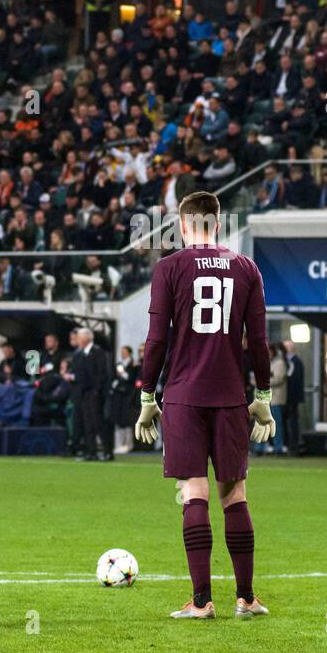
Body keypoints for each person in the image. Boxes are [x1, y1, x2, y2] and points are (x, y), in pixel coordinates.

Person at [134, 190, 272, 620]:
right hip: (231, 397)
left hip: (183, 397)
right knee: (235, 495)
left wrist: (146, 396)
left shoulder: (169, 268)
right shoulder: (246, 268)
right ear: (219, 222)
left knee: (194, 492)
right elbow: (260, 342)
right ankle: (246, 599)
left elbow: (157, 340)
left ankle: (201, 602)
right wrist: (263, 397)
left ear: (182, 225)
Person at [69, 327, 110, 461]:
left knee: (98, 423)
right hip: (83, 394)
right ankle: (91, 451)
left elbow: (102, 374)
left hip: (93, 394)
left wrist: (96, 391)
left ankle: (107, 451)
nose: (78, 341)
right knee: (87, 424)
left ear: (87, 338)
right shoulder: (80, 354)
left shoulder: (97, 352)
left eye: (79, 338)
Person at [282, 340, 304, 456]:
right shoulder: (288, 361)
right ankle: (289, 445)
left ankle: (294, 446)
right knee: (287, 422)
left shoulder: (296, 362)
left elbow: (294, 381)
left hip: (292, 398)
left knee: (292, 422)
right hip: (288, 398)